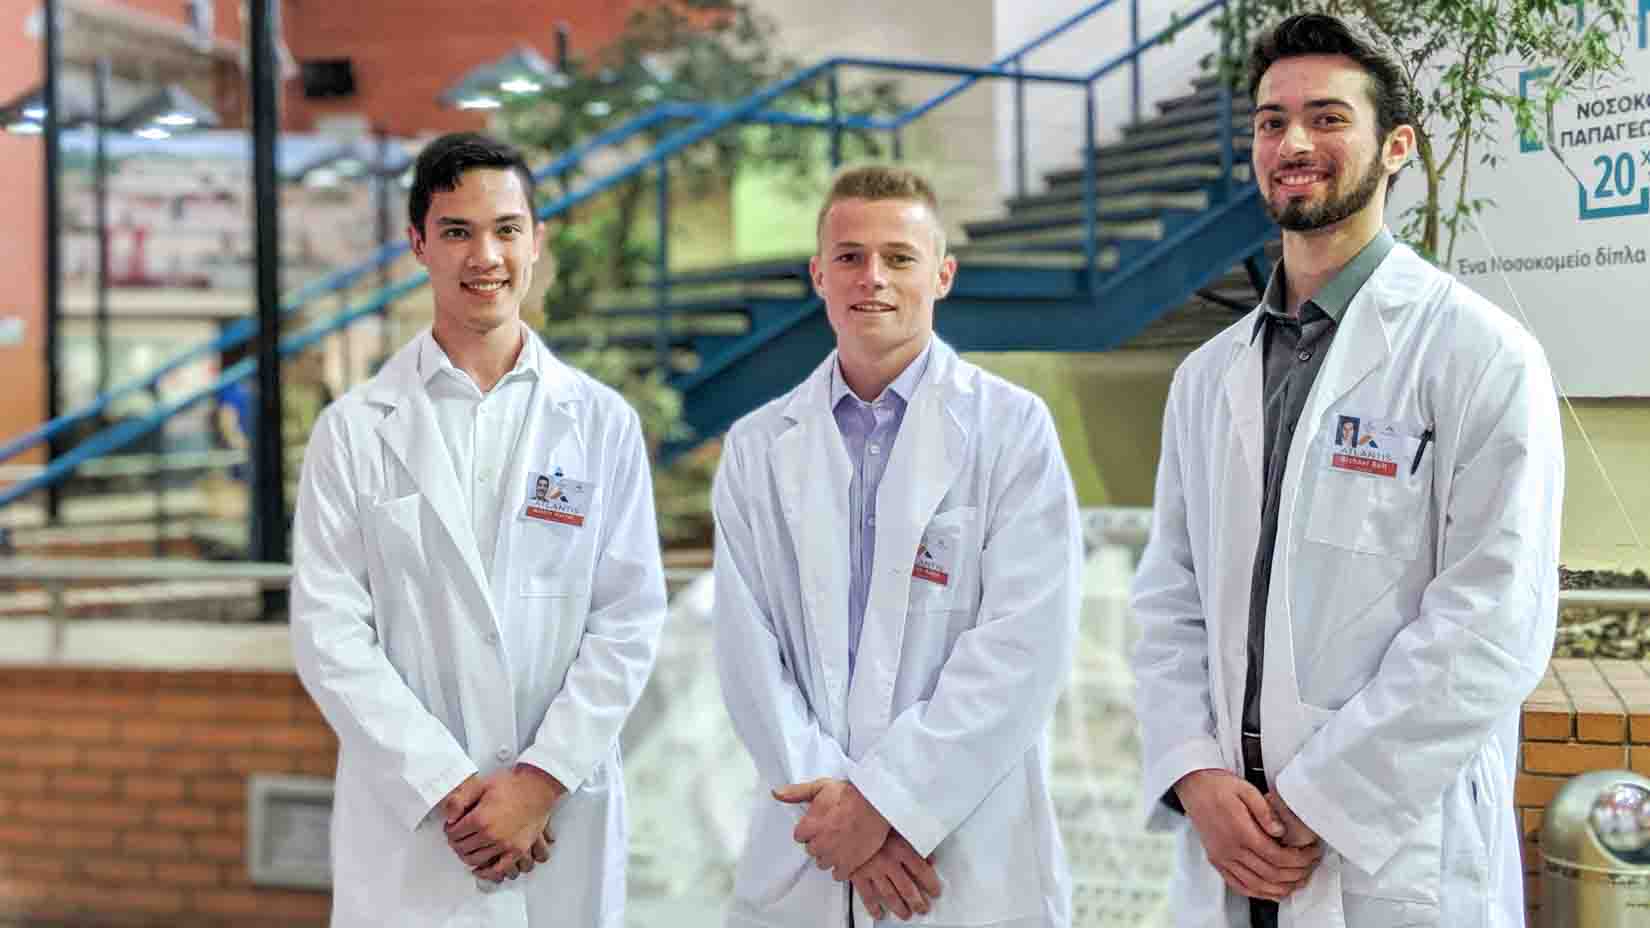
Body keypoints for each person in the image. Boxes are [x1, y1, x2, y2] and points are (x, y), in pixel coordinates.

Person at [1130, 13, 1563, 928]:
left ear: (1395, 145)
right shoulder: (1206, 378)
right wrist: (1194, 770)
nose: (1292, 143)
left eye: (1327, 118)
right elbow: (1169, 593)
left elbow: (1493, 619)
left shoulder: (1479, 356)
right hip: (1227, 845)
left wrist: (1323, 802)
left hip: (1387, 855)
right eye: (1270, 120)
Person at [289, 132, 667, 928]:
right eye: (457, 231)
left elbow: (628, 619)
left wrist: (539, 781)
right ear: (418, 244)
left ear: (538, 240)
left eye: (506, 229)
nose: (484, 255)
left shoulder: (600, 423)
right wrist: (448, 788)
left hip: (561, 816)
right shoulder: (355, 431)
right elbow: (328, 633)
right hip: (420, 830)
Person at [711, 164, 1082, 927]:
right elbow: (749, 656)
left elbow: (1024, 646)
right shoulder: (756, 447)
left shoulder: (1012, 431)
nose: (871, 277)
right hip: (807, 845)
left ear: (942, 275)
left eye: (899, 257)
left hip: (960, 850)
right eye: (849, 256)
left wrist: (891, 803)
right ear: (819, 274)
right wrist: (844, 821)